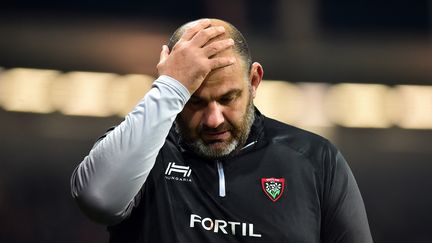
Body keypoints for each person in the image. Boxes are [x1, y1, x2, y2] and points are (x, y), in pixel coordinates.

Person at [71, 18, 373, 243]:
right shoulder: (146, 153)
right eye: (195, 101)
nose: (213, 119)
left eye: (228, 98)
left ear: (254, 81)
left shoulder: (315, 159)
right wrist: (171, 87)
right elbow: (99, 200)